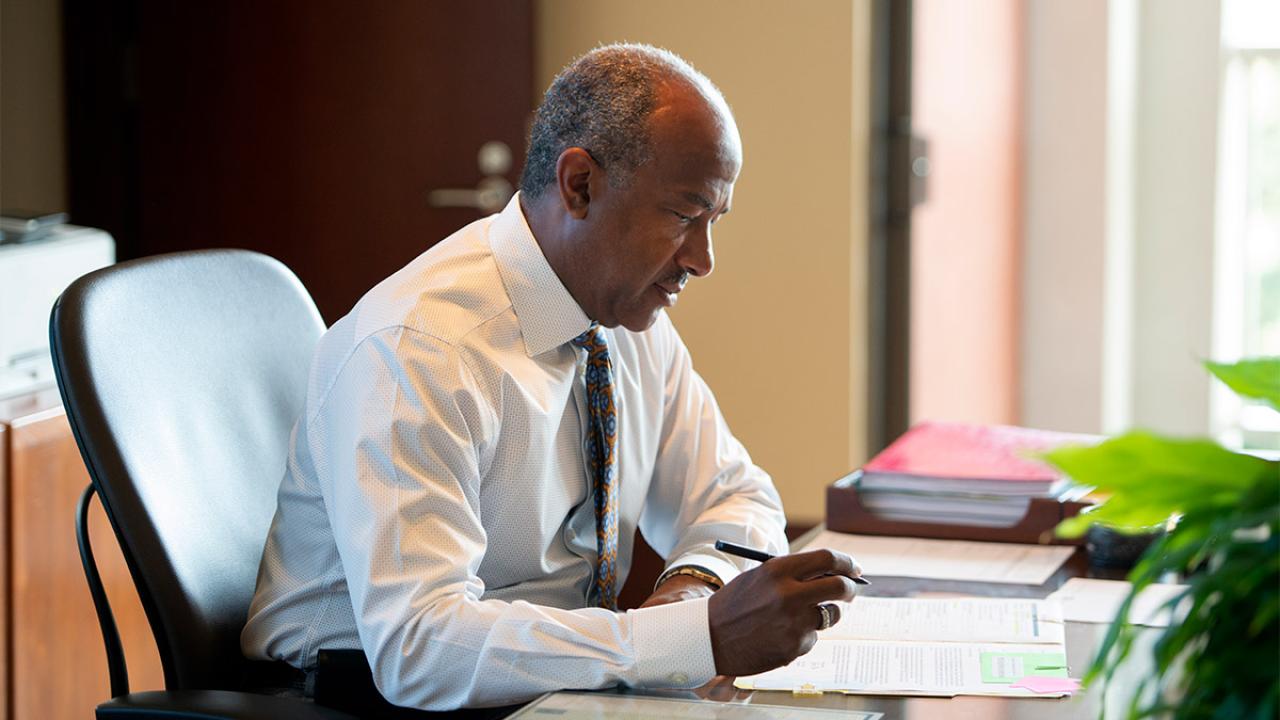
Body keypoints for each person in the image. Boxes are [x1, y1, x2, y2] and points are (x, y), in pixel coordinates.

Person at [241, 43, 861, 711]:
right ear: (580, 186)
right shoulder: (419, 347)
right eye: (684, 216)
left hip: (552, 689)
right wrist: (686, 640)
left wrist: (692, 588)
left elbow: (738, 499)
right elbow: (418, 648)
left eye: (714, 221)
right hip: (359, 701)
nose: (703, 260)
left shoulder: (622, 316)